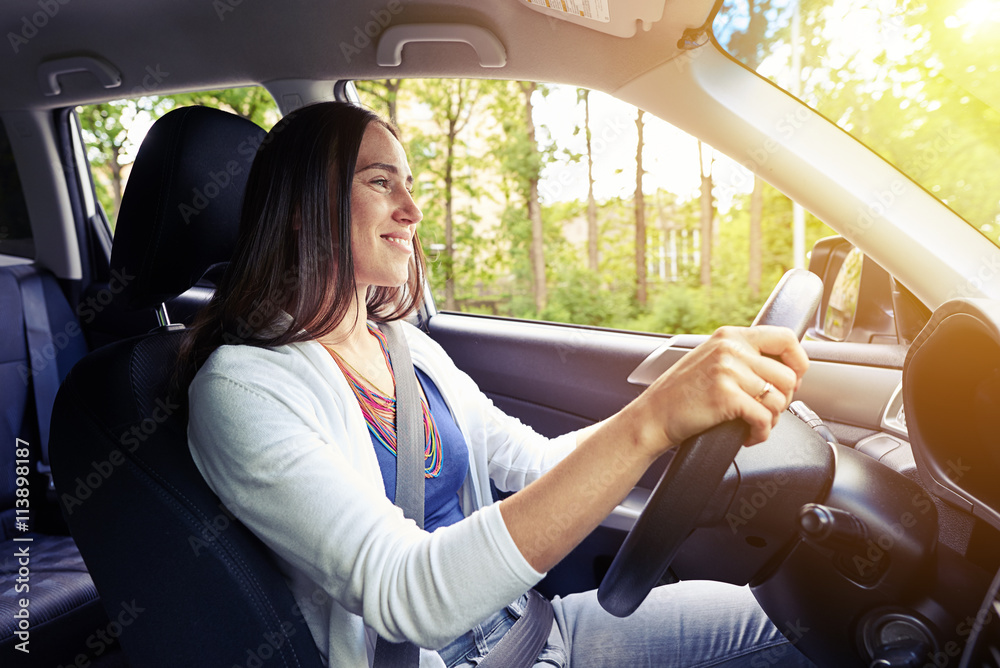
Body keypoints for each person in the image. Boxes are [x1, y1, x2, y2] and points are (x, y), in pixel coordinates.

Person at [180, 101, 814, 667]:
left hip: (535, 628)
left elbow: (537, 465)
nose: (412, 208)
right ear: (299, 211)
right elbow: (410, 597)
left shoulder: (408, 348)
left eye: (410, 184)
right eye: (380, 182)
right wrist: (652, 422)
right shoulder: (242, 388)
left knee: (797, 616)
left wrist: (680, 411)